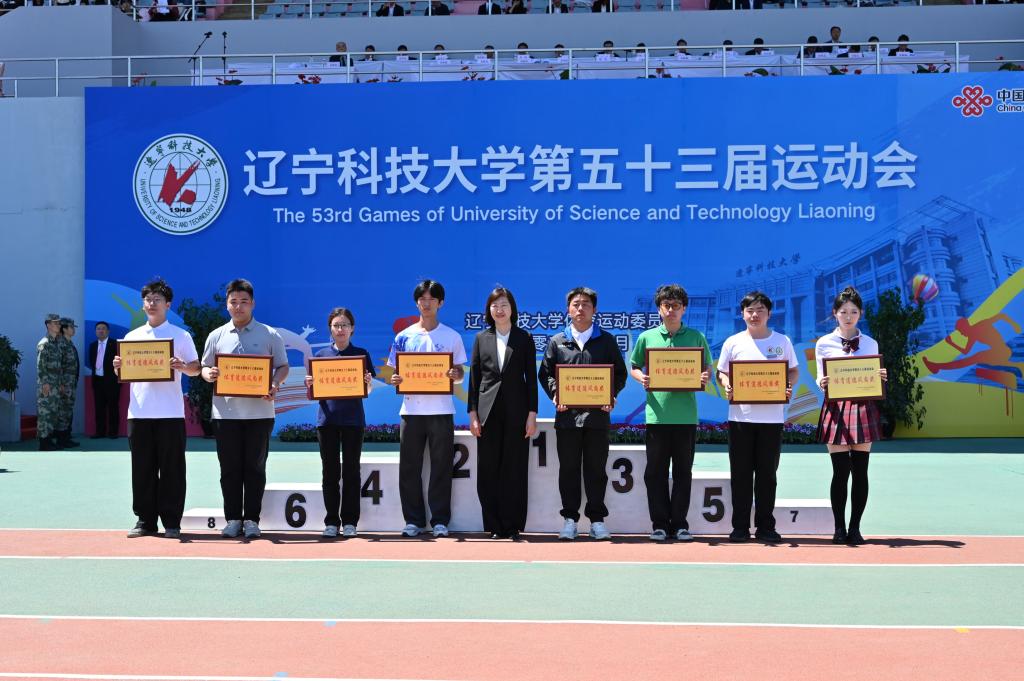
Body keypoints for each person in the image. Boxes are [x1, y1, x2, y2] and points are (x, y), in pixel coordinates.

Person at [201, 279, 289, 540]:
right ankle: (232, 519)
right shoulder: (216, 335)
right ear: (227, 305)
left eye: (244, 301)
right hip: (225, 415)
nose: (238, 306)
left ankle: (252, 519)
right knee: (229, 468)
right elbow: (205, 367)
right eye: (233, 302)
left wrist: (275, 383)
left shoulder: (269, 334)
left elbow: (283, 366)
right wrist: (209, 374)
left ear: (253, 304)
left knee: (255, 468)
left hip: (260, 414)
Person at [114, 279, 200, 540]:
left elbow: (196, 369)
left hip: (170, 413)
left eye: (157, 300)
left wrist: (182, 366)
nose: (152, 304)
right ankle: (145, 521)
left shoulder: (181, 336)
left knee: (172, 469)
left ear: (168, 304)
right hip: (139, 413)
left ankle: (172, 522)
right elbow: (124, 374)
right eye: (148, 300)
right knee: (142, 469)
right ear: (143, 305)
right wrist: (119, 367)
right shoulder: (132, 337)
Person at [538, 286, 627, 541]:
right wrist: (556, 394)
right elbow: (546, 373)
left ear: (594, 309)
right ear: (568, 309)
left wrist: (611, 395)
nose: (580, 308)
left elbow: (619, 374)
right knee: (568, 470)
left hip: (597, 418)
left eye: (586, 304)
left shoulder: (606, 340)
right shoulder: (558, 341)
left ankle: (597, 520)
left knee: (596, 470)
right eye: (576, 304)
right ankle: (570, 520)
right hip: (567, 418)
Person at [629, 285, 712, 542]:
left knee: (683, 473)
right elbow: (634, 366)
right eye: (666, 305)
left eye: (676, 305)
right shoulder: (647, 337)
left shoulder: (696, 337)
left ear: (684, 308)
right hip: (657, 416)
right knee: (655, 473)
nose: (671, 310)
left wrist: (704, 376)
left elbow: (707, 367)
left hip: (685, 417)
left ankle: (680, 524)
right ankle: (660, 524)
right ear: (659, 309)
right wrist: (642, 378)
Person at [716, 291, 799, 544]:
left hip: (771, 420)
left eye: (760, 310)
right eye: (750, 310)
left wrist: (787, 384)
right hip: (740, 418)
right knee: (740, 475)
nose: (755, 315)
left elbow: (793, 371)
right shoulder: (733, 342)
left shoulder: (782, 341)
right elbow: (721, 373)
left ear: (769, 313)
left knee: (767, 476)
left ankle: (765, 527)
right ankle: (739, 527)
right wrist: (727, 384)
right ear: (742, 314)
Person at [387, 280, 467, 538]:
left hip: (441, 411)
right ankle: (413, 521)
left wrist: (455, 374)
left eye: (432, 299)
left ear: (440, 303)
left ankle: (440, 521)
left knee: (441, 467)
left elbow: (460, 374)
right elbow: (395, 372)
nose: (426, 303)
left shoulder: (451, 336)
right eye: (422, 299)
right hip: (411, 412)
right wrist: (396, 379)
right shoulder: (404, 337)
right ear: (416, 303)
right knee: (409, 468)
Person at [815, 287, 887, 546]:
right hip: (835, 407)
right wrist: (822, 382)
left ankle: (855, 528)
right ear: (835, 313)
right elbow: (820, 376)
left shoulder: (870, 343)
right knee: (840, 471)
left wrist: (880, 377)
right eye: (843, 311)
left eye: (853, 312)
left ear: (860, 314)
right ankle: (839, 528)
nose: (848, 316)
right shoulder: (824, 343)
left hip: (863, 407)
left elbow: (873, 375)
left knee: (861, 470)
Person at [468, 288, 538, 540]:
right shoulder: (481, 338)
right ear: (489, 310)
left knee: (514, 467)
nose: (499, 309)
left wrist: (532, 414)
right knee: (488, 468)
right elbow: (474, 378)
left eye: (504, 305)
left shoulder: (524, 337)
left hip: (517, 411)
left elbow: (531, 379)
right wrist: (473, 414)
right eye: (495, 305)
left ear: (512, 309)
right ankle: (494, 525)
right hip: (487, 412)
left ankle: (512, 524)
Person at [304, 307, 375, 539]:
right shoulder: (320, 356)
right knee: (330, 472)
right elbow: (312, 394)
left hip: (353, 421)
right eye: (336, 325)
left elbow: (368, 390)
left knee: (352, 471)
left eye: (345, 325)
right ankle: (332, 521)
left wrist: (367, 383)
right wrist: (309, 385)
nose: (341, 329)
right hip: (327, 421)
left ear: (352, 328)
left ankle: (351, 522)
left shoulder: (361, 354)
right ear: (330, 329)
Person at [36, 314, 66, 451]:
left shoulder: (56, 343)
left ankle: (48, 439)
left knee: (53, 412)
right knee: (45, 413)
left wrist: (60, 383)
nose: (58, 326)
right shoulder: (44, 343)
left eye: (59, 323)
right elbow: (41, 365)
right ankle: (43, 442)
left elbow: (59, 366)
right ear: (48, 325)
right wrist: (45, 383)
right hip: (47, 384)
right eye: (55, 323)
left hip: (55, 384)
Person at [88, 321, 120, 439]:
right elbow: (92, 362)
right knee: (99, 408)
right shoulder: (92, 345)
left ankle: (113, 432)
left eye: (103, 328)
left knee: (113, 407)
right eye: (98, 329)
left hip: (112, 382)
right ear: (95, 331)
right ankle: (100, 432)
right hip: (97, 381)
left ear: (108, 331)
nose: (100, 331)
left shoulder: (115, 344)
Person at [56, 317, 80, 449]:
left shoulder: (69, 343)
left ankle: (66, 437)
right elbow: (58, 366)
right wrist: (61, 384)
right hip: (64, 384)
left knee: (68, 411)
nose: (73, 329)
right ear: (64, 329)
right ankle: (61, 439)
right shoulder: (61, 344)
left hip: (71, 383)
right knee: (63, 412)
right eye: (71, 327)